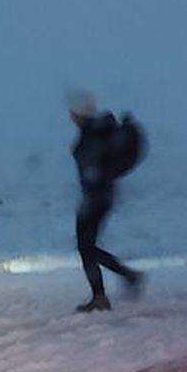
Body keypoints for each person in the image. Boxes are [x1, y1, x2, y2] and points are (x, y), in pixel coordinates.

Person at [69, 91, 145, 312]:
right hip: (100, 195)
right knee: (87, 246)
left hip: (96, 196)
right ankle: (124, 279)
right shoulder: (97, 129)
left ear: (79, 112)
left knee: (86, 246)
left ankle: (106, 293)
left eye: (72, 111)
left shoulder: (93, 133)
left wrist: (93, 186)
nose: (70, 116)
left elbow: (93, 166)